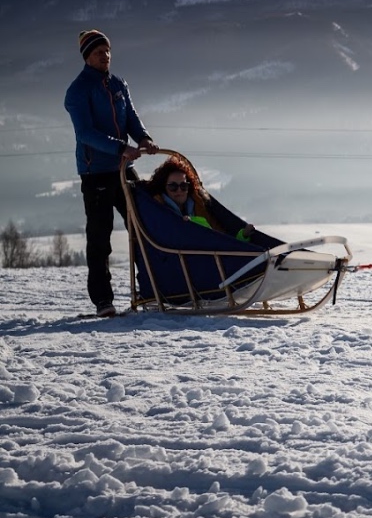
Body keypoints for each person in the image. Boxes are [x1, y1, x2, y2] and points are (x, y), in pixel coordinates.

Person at [64, 30, 158, 317]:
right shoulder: (78, 91)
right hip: (97, 172)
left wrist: (143, 139)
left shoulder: (117, 83)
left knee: (144, 230)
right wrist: (121, 148)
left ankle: (151, 289)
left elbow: (131, 117)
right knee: (100, 237)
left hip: (124, 168)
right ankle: (103, 300)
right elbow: (86, 133)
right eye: (97, 52)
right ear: (86, 57)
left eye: (106, 51)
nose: (104, 56)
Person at [145, 158, 255, 241]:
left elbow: (220, 238)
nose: (179, 190)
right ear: (164, 187)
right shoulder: (159, 210)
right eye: (173, 186)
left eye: (183, 186)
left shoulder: (199, 205)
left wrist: (243, 236)